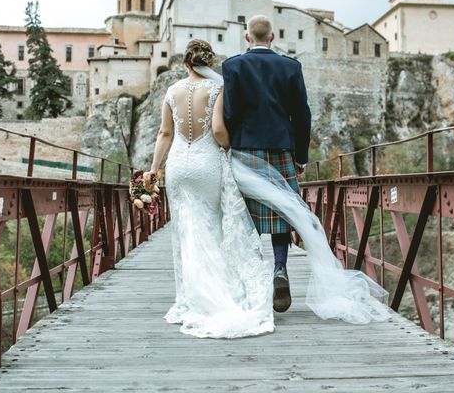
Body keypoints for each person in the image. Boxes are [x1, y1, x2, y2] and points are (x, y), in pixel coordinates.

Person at [149, 35, 390, 340]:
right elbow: (226, 127)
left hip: (179, 167)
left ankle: (192, 294)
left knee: (189, 230)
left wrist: (153, 170)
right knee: (228, 222)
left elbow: (164, 132)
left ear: (185, 62)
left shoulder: (178, 88)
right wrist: (234, 149)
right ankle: (275, 268)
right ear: (210, 62)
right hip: (222, 160)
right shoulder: (232, 82)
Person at [221, 14, 310, 313]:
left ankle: (253, 280)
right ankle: (280, 269)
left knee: (245, 215)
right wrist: (301, 156)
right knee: (281, 211)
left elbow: (229, 113)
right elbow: (302, 115)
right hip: (281, 147)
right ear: (271, 38)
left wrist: (230, 144)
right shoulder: (290, 66)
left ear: (247, 37)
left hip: (245, 149)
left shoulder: (232, 66)